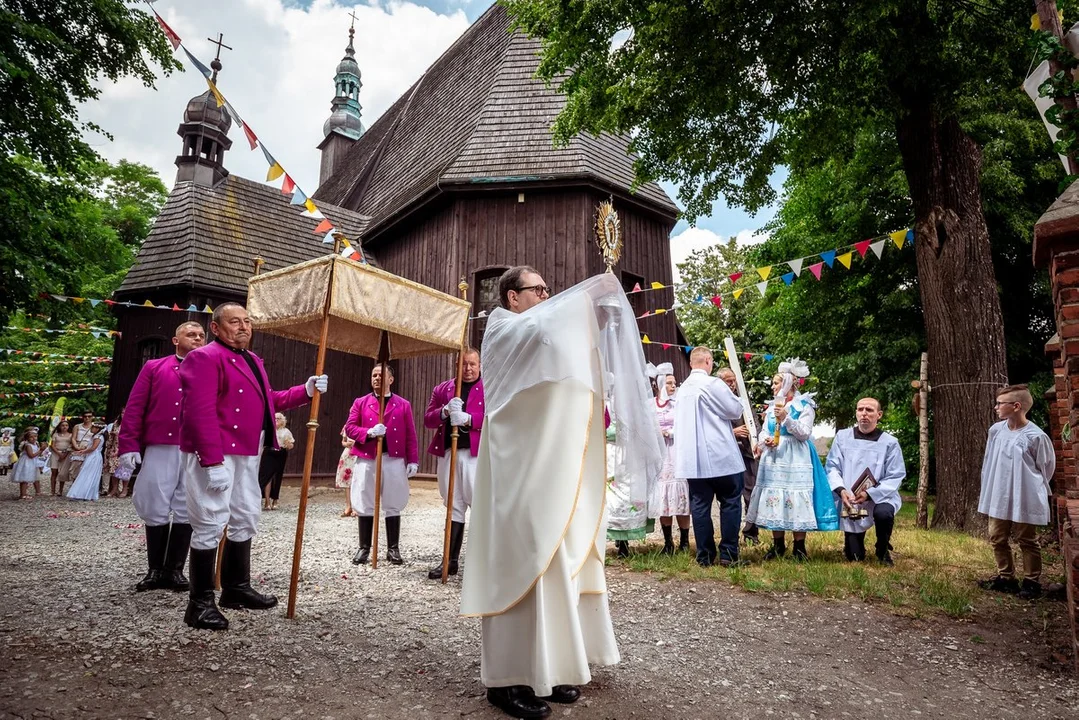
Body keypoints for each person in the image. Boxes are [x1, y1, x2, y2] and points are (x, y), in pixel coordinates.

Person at [461, 266, 662, 719]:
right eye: (539, 290)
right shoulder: (502, 328)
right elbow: (542, 330)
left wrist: (596, 317)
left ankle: (545, 670)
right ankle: (505, 680)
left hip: (549, 468)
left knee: (554, 561)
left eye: (550, 290)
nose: (548, 296)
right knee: (523, 560)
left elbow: (565, 356)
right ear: (512, 296)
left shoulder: (541, 326)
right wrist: (586, 298)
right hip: (517, 471)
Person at [178, 302, 326, 631]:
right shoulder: (202, 357)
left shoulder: (254, 360)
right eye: (235, 322)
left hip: (248, 451)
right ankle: (199, 603)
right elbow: (199, 412)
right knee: (210, 520)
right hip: (217, 452)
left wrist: (305, 390)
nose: (244, 327)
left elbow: (267, 400)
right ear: (216, 328)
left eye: (247, 322)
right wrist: (211, 460)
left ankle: (236, 588)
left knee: (245, 514)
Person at [117, 320, 206, 593]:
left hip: (197, 448)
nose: (198, 339)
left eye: (202, 335)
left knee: (187, 506)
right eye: (191, 335)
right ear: (176, 340)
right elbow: (135, 408)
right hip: (161, 444)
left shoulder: (212, 369)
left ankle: (175, 571)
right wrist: (128, 445)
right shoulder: (154, 368)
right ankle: (155, 570)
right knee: (154, 502)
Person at [745, 359, 833, 561]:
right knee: (775, 496)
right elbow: (764, 431)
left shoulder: (804, 405)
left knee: (795, 496)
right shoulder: (771, 407)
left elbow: (804, 433)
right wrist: (764, 440)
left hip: (795, 456)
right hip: (774, 457)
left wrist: (786, 418)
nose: (773, 387)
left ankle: (799, 547)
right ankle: (777, 544)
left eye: (776, 383)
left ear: (787, 383)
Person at [977, 384, 1056, 600]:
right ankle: (1006, 578)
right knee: (997, 536)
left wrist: (1029, 487)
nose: (996, 407)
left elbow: (1046, 468)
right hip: (999, 493)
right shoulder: (996, 431)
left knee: (1027, 538)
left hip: (1025, 495)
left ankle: (1031, 581)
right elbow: (989, 460)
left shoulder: (1036, 436)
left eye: (1000, 404)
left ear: (1016, 406)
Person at [673, 348, 746, 567]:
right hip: (720, 455)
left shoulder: (682, 390)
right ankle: (728, 554)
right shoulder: (713, 384)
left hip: (693, 460)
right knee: (731, 502)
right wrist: (738, 398)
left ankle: (704, 555)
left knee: (700, 506)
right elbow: (734, 411)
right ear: (707, 360)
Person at [345, 364, 418, 566]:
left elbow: (410, 434)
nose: (376, 378)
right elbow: (350, 428)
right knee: (364, 498)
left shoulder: (403, 404)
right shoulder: (360, 402)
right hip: (368, 457)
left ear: (391, 379)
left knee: (393, 501)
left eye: (380, 375)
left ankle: (393, 548)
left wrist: (412, 459)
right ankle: (364, 547)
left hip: (393, 458)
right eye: (374, 375)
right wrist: (368, 433)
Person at [423, 347, 484, 580]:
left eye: (472, 364)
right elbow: (428, 419)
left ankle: (480, 563)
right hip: (449, 452)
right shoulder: (443, 389)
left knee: (478, 505)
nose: (467, 369)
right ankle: (450, 560)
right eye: (463, 365)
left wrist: (470, 419)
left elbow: (496, 418)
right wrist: (445, 411)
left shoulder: (489, 389)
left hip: (475, 455)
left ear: (479, 366)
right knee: (453, 505)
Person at [825, 398, 905, 565]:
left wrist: (870, 494)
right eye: (860, 409)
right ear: (856, 413)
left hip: (879, 496)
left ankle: (882, 548)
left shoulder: (890, 443)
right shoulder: (843, 437)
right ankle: (854, 544)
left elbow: (895, 475)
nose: (864, 414)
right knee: (854, 557)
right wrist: (841, 490)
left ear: (879, 415)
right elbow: (832, 467)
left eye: (869, 410)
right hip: (851, 499)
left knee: (884, 514)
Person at [647, 363, 690, 555]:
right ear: (661, 384)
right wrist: (655, 433)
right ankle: (667, 542)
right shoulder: (650, 405)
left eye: (675, 383)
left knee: (680, 496)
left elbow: (685, 425)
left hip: (675, 451)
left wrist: (670, 432)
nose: (674, 386)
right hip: (659, 454)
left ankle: (685, 540)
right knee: (663, 497)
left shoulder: (678, 404)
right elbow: (645, 425)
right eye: (670, 383)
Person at [717, 368, 759, 545]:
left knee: (751, 493)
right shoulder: (716, 401)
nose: (732, 384)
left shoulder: (743, 400)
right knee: (730, 497)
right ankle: (730, 536)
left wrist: (755, 437)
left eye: (733, 380)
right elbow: (714, 426)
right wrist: (732, 432)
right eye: (728, 381)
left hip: (748, 453)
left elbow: (754, 421)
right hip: (728, 454)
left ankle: (751, 533)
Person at [259, 412, 294, 511]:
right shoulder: (269, 430)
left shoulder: (286, 431)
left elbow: (291, 445)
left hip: (280, 454)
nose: (276, 420)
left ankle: (275, 500)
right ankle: (267, 502)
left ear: (283, 420)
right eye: (275, 418)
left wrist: (288, 445)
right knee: (267, 477)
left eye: (279, 418)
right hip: (269, 453)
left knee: (277, 476)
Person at [66, 424, 107, 501]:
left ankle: (83, 493)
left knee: (88, 473)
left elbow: (93, 448)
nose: (91, 428)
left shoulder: (98, 437)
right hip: (91, 455)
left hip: (94, 456)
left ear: (97, 429)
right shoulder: (95, 436)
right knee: (86, 473)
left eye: (93, 427)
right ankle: (84, 493)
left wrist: (83, 451)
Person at [10, 428, 44, 499]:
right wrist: (40, 450)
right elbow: (31, 455)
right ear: (27, 438)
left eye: (35, 436)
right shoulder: (28, 445)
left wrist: (41, 452)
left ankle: (24, 493)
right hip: (27, 463)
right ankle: (23, 494)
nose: (34, 438)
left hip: (31, 462)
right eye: (31, 437)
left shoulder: (35, 444)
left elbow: (36, 454)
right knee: (25, 479)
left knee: (27, 478)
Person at [103, 410, 128, 498]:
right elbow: (111, 437)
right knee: (114, 470)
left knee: (124, 470)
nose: (123, 414)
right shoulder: (116, 424)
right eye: (122, 413)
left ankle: (124, 489)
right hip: (114, 447)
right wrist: (108, 448)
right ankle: (114, 489)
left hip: (126, 448)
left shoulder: (131, 423)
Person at [68, 411, 96, 489]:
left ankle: (84, 488)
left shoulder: (95, 426)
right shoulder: (77, 426)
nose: (87, 418)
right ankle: (74, 486)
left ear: (92, 417)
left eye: (89, 416)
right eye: (85, 416)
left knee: (86, 469)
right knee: (75, 468)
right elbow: (73, 438)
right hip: (78, 446)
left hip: (89, 448)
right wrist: (76, 447)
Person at [335, 427, 357, 517]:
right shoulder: (347, 426)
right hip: (348, 455)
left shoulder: (363, 424)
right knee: (347, 481)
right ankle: (348, 506)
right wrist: (346, 443)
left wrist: (356, 443)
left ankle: (356, 507)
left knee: (357, 481)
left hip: (358, 454)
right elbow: (343, 442)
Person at [49, 420, 74, 496]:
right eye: (63, 425)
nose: (64, 427)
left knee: (62, 473)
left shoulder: (71, 435)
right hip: (55, 453)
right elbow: (52, 445)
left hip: (66, 454)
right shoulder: (55, 435)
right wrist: (58, 453)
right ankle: (52, 491)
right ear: (59, 426)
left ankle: (60, 490)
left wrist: (64, 454)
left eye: (66, 425)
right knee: (54, 472)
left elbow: (71, 445)